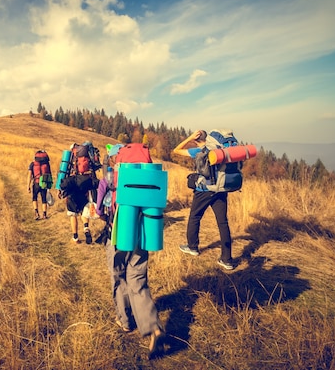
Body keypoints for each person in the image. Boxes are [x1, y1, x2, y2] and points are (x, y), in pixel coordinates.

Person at [95, 143, 165, 359]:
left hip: (118, 234)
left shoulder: (109, 178)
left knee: (118, 277)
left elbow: (99, 210)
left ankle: (125, 321)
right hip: (144, 233)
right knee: (138, 279)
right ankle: (153, 327)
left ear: (116, 159)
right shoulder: (148, 176)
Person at [172, 130, 235, 270]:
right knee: (223, 223)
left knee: (195, 216)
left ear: (196, 139)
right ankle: (227, 260)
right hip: (220, 189)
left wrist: (189, 138)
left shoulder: (199, 151)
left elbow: (176, 150)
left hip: (204, 190)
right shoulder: (220, 151)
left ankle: (192, 247)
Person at [58, 143, 98, 244]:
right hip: (85, 185)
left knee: (73, 213)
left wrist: (60, 189)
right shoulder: (87, 156)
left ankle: (75, 237)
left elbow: (64, 173)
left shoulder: (71, 158)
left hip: (73, 186)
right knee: (84, 210)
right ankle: (86, 228)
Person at [27, 150, 51, 220]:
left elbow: (29, 176)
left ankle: (36, 213)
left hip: (36, 183)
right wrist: (49, 185)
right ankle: (44, 214)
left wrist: (28, 186)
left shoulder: (32, 164)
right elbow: (49, 174)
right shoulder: (46, 164)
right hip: (44, 182)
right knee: (44, 199)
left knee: (34, 198)